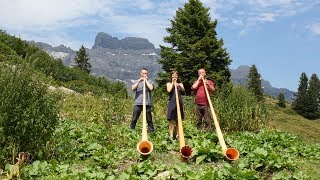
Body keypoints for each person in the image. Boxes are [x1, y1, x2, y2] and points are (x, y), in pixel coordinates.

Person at [130, 67, 155, 133]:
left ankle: (151, 132)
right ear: (140, 74)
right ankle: (131, 132)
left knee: (149, 119)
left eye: (146, 73)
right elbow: (132, 88)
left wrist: (146, 81)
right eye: (143, 73)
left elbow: (151, 88)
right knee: (134, 119)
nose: (144, 74)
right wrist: (139, 81)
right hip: (138, 103)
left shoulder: (150, 81)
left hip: (147, 103)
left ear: (147, 74)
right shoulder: (137, 81)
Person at [166, 70, 185, 140]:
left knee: (178, 120)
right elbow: (169, 90)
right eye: (173, 75)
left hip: (179, 104)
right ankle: (171, 135)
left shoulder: (180, 84)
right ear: (171, 76)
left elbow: (183, 90)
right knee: (171, 120)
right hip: (172, 103)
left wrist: (178, 85)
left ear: (178, 76)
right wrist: (173, 83)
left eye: (176, 75)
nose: (174, 76)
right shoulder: (168, 84)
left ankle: (178, 135)